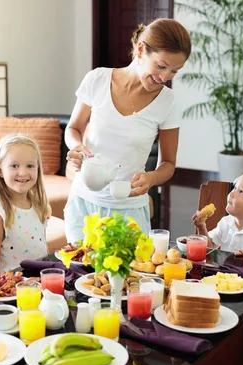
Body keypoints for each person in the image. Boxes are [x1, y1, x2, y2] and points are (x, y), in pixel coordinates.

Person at [64, 18, 192, 242]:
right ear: (141, 50)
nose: (165, 78)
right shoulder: (97, 79)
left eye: (174, 71)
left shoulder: (168, 102)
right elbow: (73, 128)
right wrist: (76, 147)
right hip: (83, 202)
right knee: (80, 274)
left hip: (129, 210)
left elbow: (168, 164)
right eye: (161, 66)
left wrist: (151, 178)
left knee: (130, 275)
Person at [0, 134, 51, 274]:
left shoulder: (38, 205)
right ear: (0, 170)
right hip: (12, 291)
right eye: (14, 166)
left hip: (39, 283)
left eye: (30, 165)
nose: (23, 172)